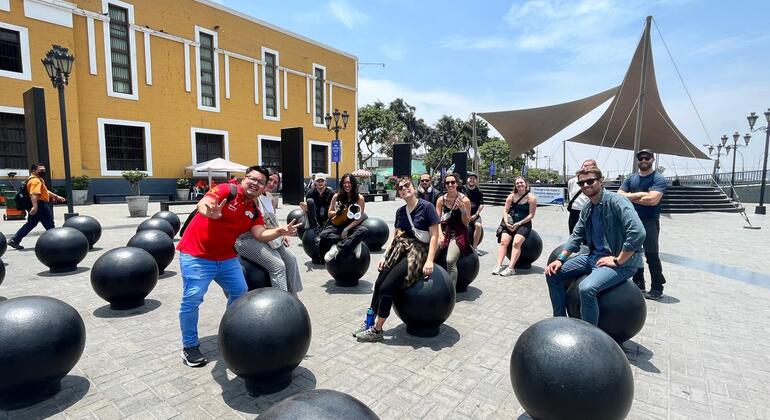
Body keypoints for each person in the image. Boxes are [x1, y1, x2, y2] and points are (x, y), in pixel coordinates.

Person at [176, 165, 299, 367]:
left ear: (264, 188)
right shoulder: (227, 190)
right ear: (244, 179)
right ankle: (189, 346)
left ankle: (230, 331)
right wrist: (210, 211)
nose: (255, 184)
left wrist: (280, 231)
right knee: (192, 299)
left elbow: (260, 234)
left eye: (260, 182)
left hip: (226, 259)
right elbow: (205, 202)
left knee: (240, 293)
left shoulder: (253, 210)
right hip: (197, 255)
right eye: (252, 179)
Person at [544, 166, 645, 326]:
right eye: (581, 183)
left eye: (590, 181)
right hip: (593, 257)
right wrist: (560, 259)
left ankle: (589, 336)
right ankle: (560, 321)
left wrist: (619, 260)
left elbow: (638, 232)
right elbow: (576, 236)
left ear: (600, 181)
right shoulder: (588, 208)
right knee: (552, 273)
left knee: (586, 289)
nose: (585, 185)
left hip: (622, 265)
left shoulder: (617, 201)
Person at [354, 177, 440, 342]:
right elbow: (396, 237)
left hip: (419, 251)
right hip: (400, 248)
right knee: (379, 284)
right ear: (399, 193)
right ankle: (369, 322)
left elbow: (435, 235)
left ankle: (377, 330)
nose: (404, 189)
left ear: (413, 188)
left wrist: (430, 260)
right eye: (400, 188)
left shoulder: (427, 207)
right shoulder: (400, 212)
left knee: (387, 288)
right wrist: (385, 256)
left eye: (407, 185)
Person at [235, 169, 302, 294]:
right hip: (250, 238)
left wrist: (282, 233)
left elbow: (273, 220)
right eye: (270, 180)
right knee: (278, 266)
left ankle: (293, 296)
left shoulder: (271, 198)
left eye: (275, 182)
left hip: (270, 237)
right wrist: (280, 231)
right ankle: (281, 301)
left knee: (291, 259)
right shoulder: (255, 197)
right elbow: (258, 226)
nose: (272, 184)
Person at [617, 148, 668, 300]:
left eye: (647, 157)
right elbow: (619, 195)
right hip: (631, 220)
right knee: (633, 253)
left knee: (651, 254)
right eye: (640, 158)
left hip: (649, 221)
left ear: (652, 159)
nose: (643, 160)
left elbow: (653, 200)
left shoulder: (658, 179)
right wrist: (641, 194)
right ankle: (639, 284)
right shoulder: (631, 178)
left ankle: (657, 287)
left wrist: (629, 197)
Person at [7, 163, 66, 250]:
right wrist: (35, 207)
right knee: (49, 223)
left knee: (31, 224)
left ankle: (15, 240)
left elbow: (45, 191)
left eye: (44, 170)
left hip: (36, 204)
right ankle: (56, 242)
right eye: (41, 170)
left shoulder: (35, 179)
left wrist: (56, 196)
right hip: (39, 205)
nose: (43, 172)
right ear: (34, 171)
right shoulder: (35, 181)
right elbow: (33, 194)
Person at [492, 176, 537, 276]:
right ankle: (499, 265)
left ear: (526, 184)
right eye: (517, 183)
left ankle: (511, 268)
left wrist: (519, 223)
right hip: (510, 223)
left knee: (516, 243)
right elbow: (505, 210)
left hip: (523, 224)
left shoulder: (531, 198)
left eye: (521, 182)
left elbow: (531, 215)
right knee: (504, 242)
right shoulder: (511, 196)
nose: (519, 185)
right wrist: (507, 222)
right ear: (515, 186)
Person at [319, 173, 368, 262]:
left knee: (363, 230)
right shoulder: (337, 196)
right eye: (345, 183)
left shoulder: (359, 198)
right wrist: (337, 212)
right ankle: (353, 243)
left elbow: (359, 218)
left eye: (349, 182)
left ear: (353, 184)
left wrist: (346, 229)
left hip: (352, 227)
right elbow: (329, 213)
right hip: (337, 226)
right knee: (323, 235)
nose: (347, 185)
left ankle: (337, 248)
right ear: (342, 184)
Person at [435, 173, 472, 287]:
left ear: (457, 183)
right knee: (429, 255)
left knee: (450, 260)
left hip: (458, 233)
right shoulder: (441, 200)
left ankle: (451, 291)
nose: (450, 185)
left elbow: (466, 223)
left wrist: (463, 210)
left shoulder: (465, 200)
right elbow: (436, 221)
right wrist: (440, 235)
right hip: (444, 231)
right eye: (447, 183)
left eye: (452, 182)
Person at [566, 159, 598, 234]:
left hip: (589, 211)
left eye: (588, 166)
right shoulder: (572, 181)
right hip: (574, 212)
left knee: (588, 236)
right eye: (584, 165)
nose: (585, 168)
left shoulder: (596, 181)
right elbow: (570, 193)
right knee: (573, 234)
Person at [462, 172, 485, 254]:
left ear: (476, 181)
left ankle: (475, 247)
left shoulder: (479, 191)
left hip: (474, 214)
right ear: (467, 179)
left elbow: (482, 204)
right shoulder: (462, 189)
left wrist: (476, 214)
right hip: (463, 214)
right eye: (470, 178)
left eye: (474, 179)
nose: (472, 180)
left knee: (478, 225)